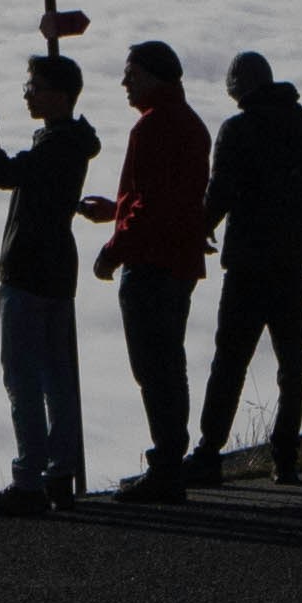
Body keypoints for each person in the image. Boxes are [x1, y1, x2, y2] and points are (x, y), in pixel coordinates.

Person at [0, 53, 99, 515]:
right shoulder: (72, 143)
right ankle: (59, 474)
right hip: (59, 271)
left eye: (34, 87)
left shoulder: (55, 146)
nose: (28, 94)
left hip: (26, 273)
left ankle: (29, 481)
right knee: (57, 377)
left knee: (23, 378)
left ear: (58, 94)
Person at [77, 40, 213, 505]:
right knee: (169, 363)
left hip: (150, 262)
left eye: (131, 75)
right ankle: (171, 460)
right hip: (180, 262)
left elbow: (151, 204)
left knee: (153, 367)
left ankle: (165, 469)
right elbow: (169, 197)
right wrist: (114, 210)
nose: (124, 84)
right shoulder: (191, 124)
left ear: (155, 77)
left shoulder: (151, 128)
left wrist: (113, 250)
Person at [196, 51, 302, 484]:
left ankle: (207, 454)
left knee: (230, 360)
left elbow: (220, 192)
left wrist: (198, 229)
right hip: (292, 265)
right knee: (291, 364)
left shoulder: (237, 129)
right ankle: (286, 456)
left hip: (247, 265)